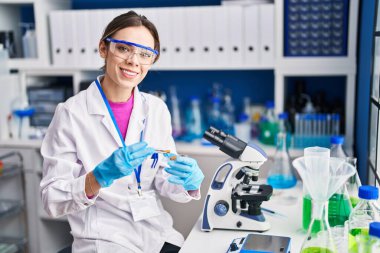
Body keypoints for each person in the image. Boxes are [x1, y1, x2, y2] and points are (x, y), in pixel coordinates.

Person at [40, 11, 204, 253]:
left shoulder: (156, 109)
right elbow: (51, 200)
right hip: (101, 238)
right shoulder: (71, 113)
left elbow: (162, 179)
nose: (134, 61)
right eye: (124, 49)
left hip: (156, 233)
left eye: (145, 54)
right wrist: (97, 178)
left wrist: (186, 182)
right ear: (104, 49)